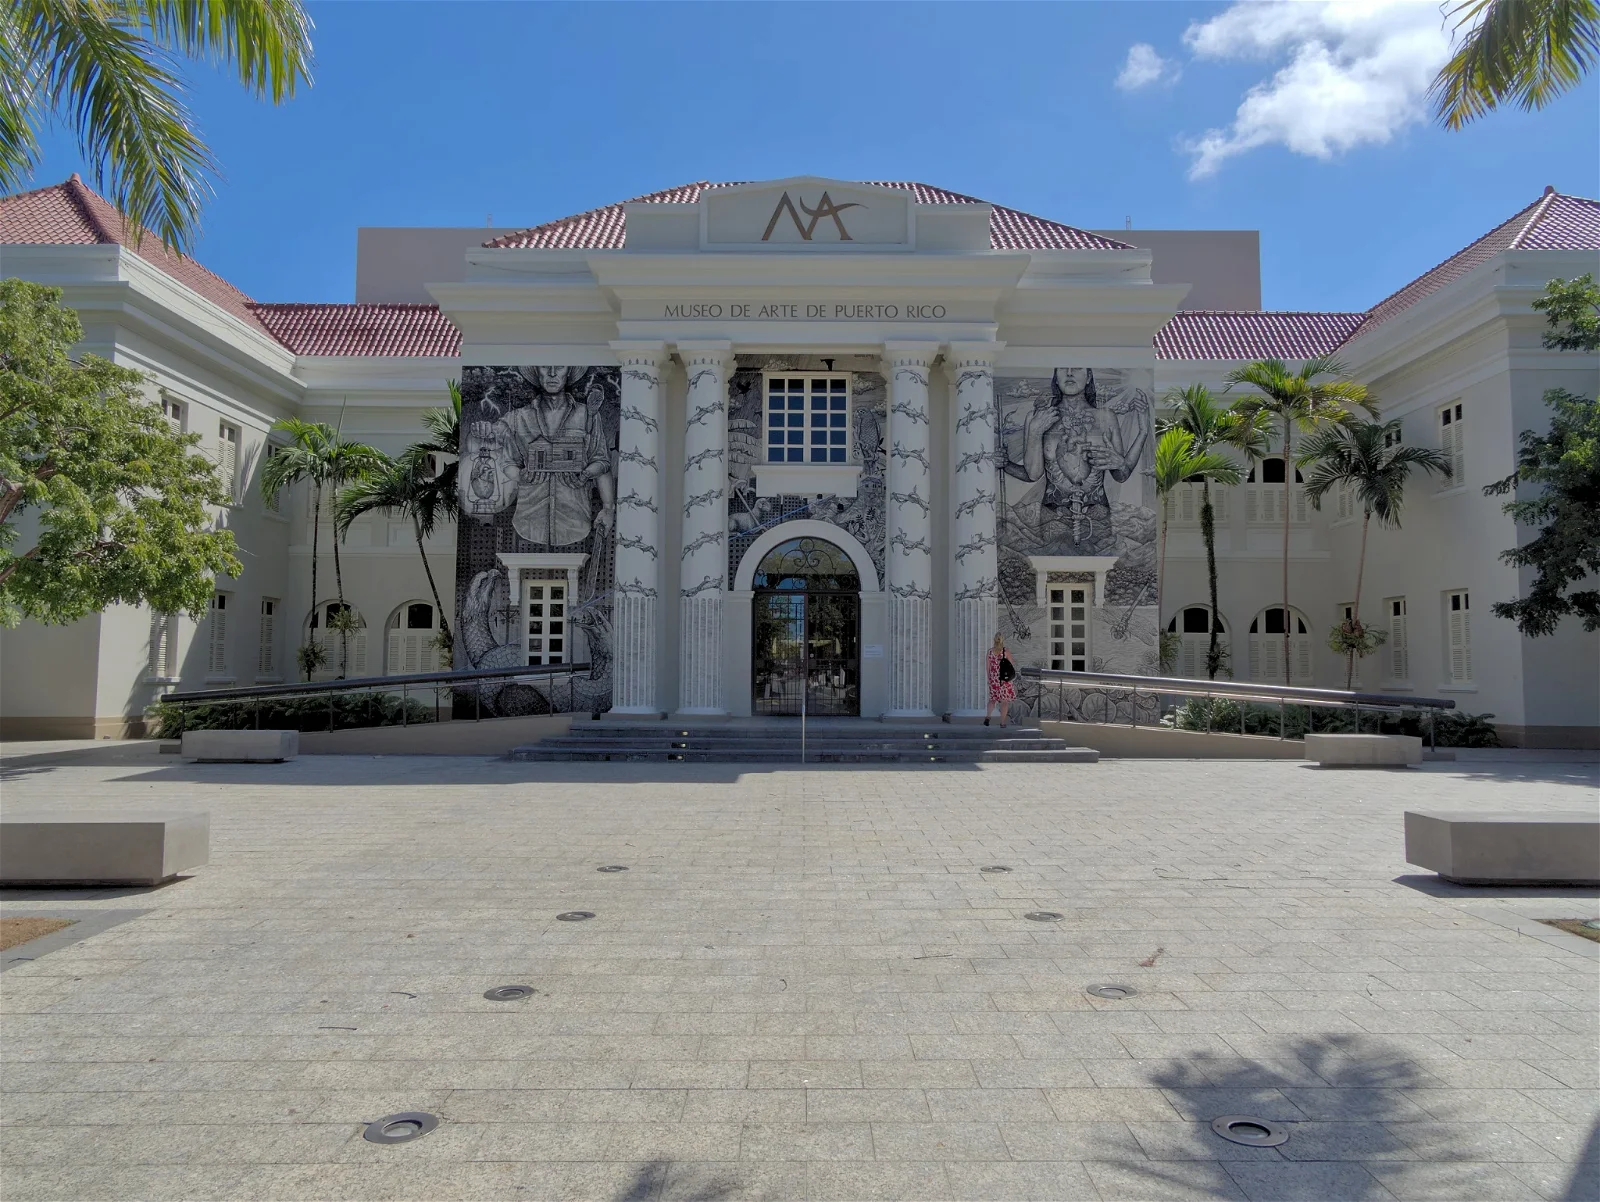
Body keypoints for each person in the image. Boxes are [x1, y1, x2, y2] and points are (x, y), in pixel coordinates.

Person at [985, 632, 1016, 728]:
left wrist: (989, 678)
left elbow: (988, 667)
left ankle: (988, 716)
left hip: (994, 679)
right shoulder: (1005, 651)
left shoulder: (990, 652)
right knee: (1004, 701)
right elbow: (1012, 663)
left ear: (994, 640)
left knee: (992, 700)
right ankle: (1002, 722)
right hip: (1004, 680)